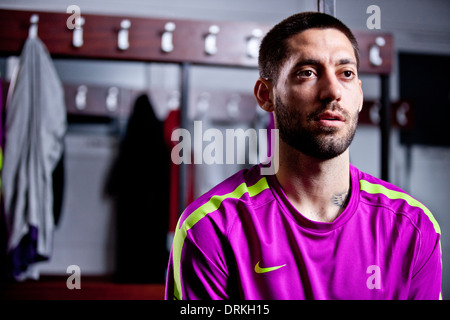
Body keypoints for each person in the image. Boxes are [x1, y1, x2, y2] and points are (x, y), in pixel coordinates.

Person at [165, 12, 442, 300]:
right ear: (265, 95)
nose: (332, 91)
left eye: (346, 73)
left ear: (359, 95)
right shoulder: (212, 228)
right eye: (307, 72)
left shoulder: (413, 227)